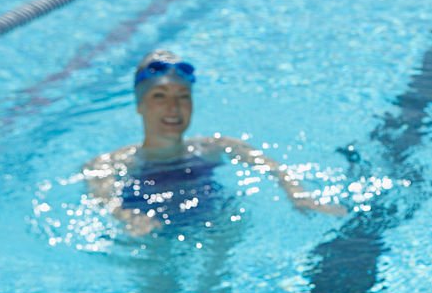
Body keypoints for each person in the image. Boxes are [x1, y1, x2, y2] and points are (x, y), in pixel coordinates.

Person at [83, 49, 344, 236]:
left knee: (218, 286)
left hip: (211, 227)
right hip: (151, 234)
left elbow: (272, 167)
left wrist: (299, 196)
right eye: (160, 96)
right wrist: (130, 217)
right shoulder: (111, 164)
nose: (173, 108)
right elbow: (103, 198)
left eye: (183, 96)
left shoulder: (213, 148)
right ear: (140, 105)